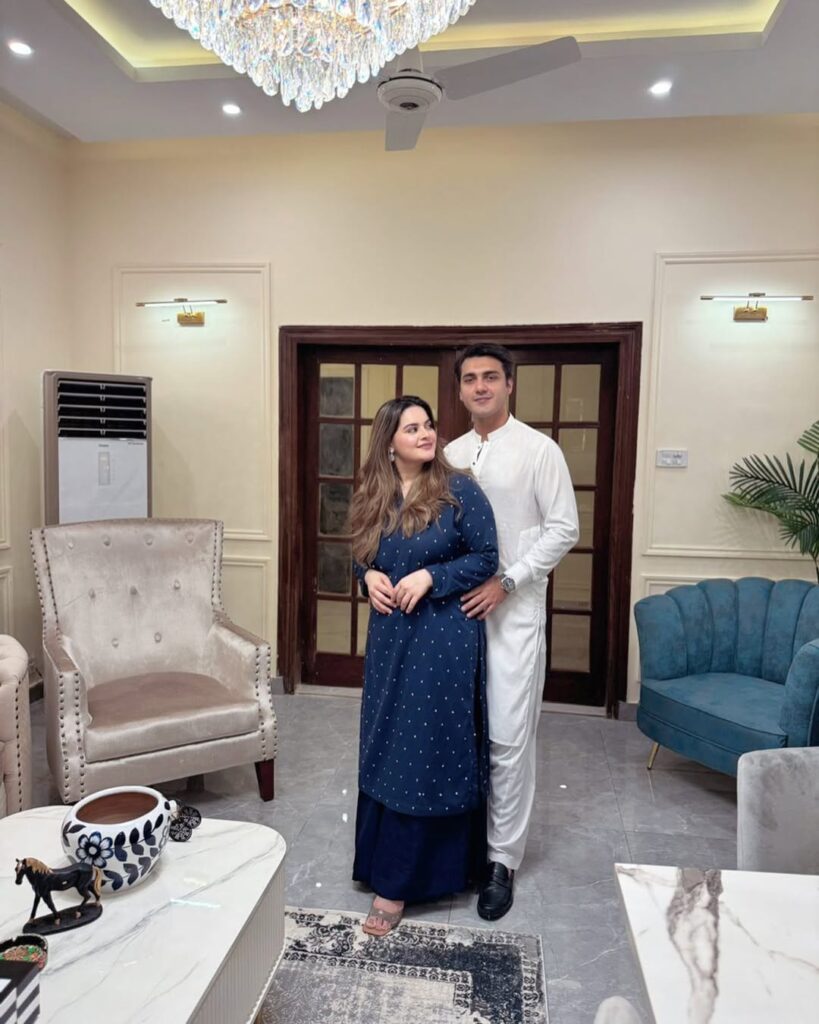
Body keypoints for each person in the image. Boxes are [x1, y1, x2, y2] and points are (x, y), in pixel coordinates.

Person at [350, 395, 498, 937]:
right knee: (386, 741)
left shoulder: (460, 490)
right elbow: (361, 554)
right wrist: (367, 576)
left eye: (428, 425)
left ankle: (398, 884)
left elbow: (486, 558)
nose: (426, 433)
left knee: (427, 745)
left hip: (442, 639)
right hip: (390, 640)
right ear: (389, 443)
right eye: (412, 428)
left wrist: (432, 577)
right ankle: (381, 862)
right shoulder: (375, 492)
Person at [445, 344, 579, 921]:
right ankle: (462, 845)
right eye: (470, 379)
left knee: (507, 737)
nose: (480, 387)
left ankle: (502, 860)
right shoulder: (449, 454)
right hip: (456, 614)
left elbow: (564, 528)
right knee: (461, 734)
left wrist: (508, 580)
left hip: (513, 612)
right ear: (460, 390)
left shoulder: (539, 450)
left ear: (509, 385)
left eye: (491, 377)